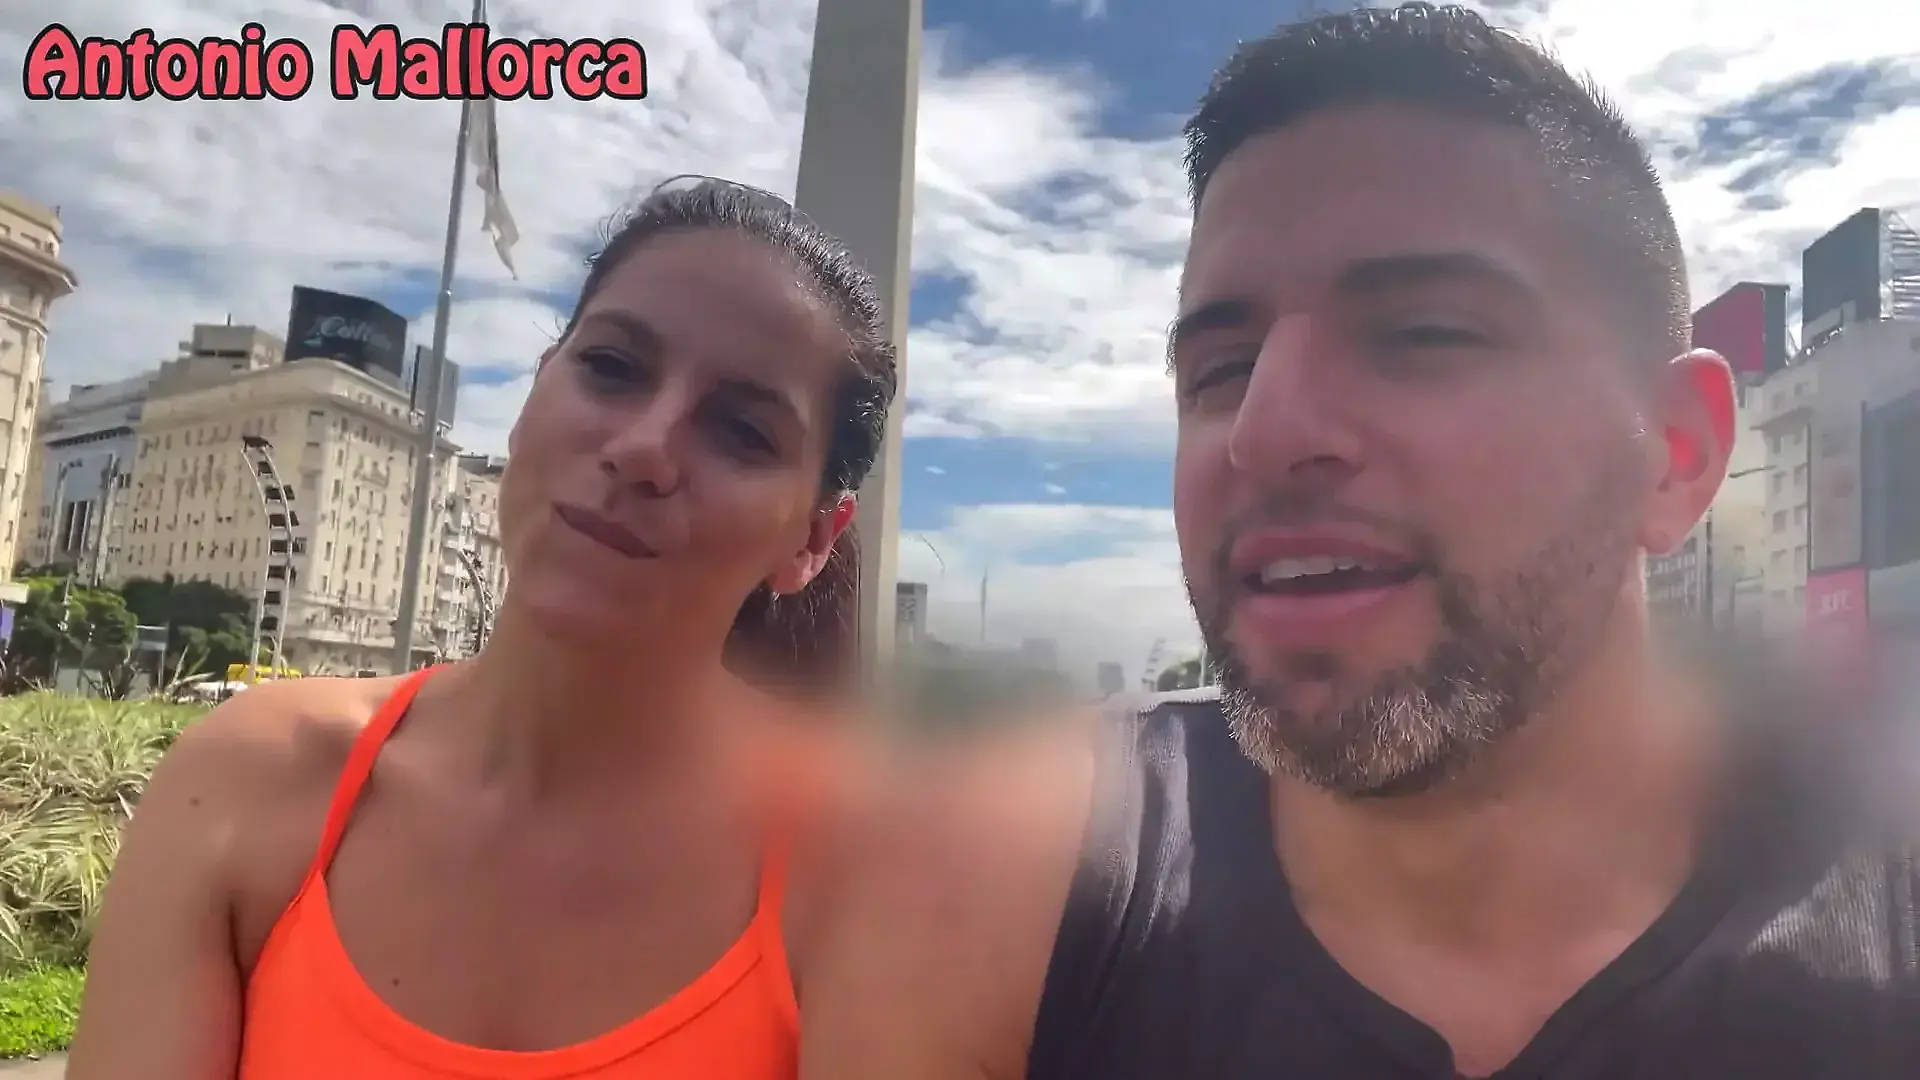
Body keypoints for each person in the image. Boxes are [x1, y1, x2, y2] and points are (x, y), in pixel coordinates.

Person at [797, 6, 1920, 1079]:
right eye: (1221, 370)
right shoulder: (999, 884)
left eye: (1423, 333)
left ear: (1674, 454)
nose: (1266, 432)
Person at [67, 175, 897, 1079]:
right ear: (537, 389)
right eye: (612, 367)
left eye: (740, 431)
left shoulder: (869, 880)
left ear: (814, 539)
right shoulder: (248, 782)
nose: (644, 448)